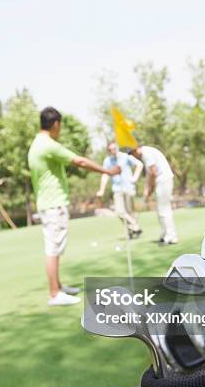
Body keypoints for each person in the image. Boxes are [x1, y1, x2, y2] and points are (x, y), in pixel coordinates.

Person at [28, 107, 120, 307]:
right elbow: (79, 161)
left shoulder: (36, 144)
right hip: (53, 204)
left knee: (55, 247)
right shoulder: (48, 145)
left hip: (46, 203)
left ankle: (58, 286)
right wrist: (108, 171)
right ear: (56, 124)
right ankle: (54, 294)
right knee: (53, 248)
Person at [130, 145, 178, 245]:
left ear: (137, 149)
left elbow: (153, 172)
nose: (133, 156)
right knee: (161, 209)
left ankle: (171, 236)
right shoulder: (145, 154)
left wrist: (149, 188)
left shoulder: (146, 153)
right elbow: (149, 174)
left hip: (163, 180)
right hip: (161, 181)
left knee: (164, 209)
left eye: (132, 153)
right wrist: (147, 189)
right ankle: (165, 234)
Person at [96, 141, 143, 238]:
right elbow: (105, 175)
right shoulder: (107, 161)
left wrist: (135, 177)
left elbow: (139, 164)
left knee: (129, 212)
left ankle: (131, 232)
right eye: (110, 150)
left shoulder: (125, 156)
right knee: (120, 212)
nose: (113, 151)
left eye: (114, 148)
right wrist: (101, 189)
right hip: (117, 188)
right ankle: (135, 227)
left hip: (128, 187)